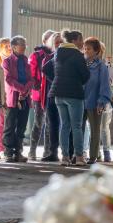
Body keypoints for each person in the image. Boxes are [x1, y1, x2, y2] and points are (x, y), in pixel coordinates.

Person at [50, 30, 90, 166]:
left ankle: (65, 157)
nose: (82, 43)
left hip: (58, 93)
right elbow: (85, 75)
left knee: (65, 126)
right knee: (77, 126)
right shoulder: (78, 55)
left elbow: (46, 68)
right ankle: (79, 157)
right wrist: (78, 80)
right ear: (74, 40)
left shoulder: (57, 53)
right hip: (74, 94)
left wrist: (57, 80)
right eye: (81, 40)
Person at [1, 36, 34, 163]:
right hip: (13, 98)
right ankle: (8, 152)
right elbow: (8, 80)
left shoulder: (26, 61)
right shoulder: (7, 62)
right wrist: (22, 89)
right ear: (13, 47)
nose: (25, 47)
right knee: (9, 126)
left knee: (21, 127)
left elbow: (31, 79)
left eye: (25, 44)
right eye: (22, 44)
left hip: (25, 98)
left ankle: (18, 152)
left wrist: (25, 90)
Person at [82, 37, 112, 164]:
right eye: (84, 48)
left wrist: (101, 102)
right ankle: (78, 154)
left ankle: (93, 156)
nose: (85, 51)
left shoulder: (101, 67)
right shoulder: (81, 64)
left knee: (95, 131)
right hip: (80, 102)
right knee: (79, 129)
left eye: (88, 49)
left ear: (96, 51)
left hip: (95, 103)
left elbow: (104, 85)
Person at [27, 30, 55, 160]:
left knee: (50, 124)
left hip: (51, 94)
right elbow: (32, 74)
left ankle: (47, 151)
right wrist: (37, 87)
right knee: (38, 123)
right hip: (39, 95)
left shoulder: (56, 55)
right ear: (44, 41)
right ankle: (32, 150)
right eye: (50, 39)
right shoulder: (36, 55)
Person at [41, 32, 62, 161]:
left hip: (63, 94)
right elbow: (44, 70)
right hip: (51, 94)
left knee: (64, 124)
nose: (58, 45)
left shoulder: (65, 57)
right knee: (53, 124)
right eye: (56, 43)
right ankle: (53, 152)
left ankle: (67, 152)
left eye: (60, 42)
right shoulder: (50, 58)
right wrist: (55, 80)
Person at [0, 36, 12, 159]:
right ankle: (0, 148)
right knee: (0, 122)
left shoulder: (12, 60)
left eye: (10, 46)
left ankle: (8, 146)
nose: (9, 48)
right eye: (6, 46)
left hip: (10, 95)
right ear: (0, 48)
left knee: (9, 122)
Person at [100, 48, 113, 162]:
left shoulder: (109, 66)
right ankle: (95, 152)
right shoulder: (89, 64)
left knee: (104, 127)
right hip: (92, 100)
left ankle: (106, 152)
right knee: (90, 128)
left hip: (106, 100)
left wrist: (110, 83)